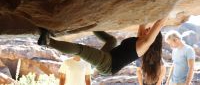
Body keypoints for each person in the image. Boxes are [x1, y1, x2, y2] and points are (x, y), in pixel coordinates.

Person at [38, 18, 167, 75]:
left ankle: (48, 42)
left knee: (80, 49)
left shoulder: (144, 44)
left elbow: (160, 23)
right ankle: (90, 25)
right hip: (109, 57)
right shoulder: (140, 39)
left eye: (150, 30)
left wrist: (172, 6)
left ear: (153, 37)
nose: (148, 29)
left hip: (107, 64)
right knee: (112, 40)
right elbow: (142, 21)